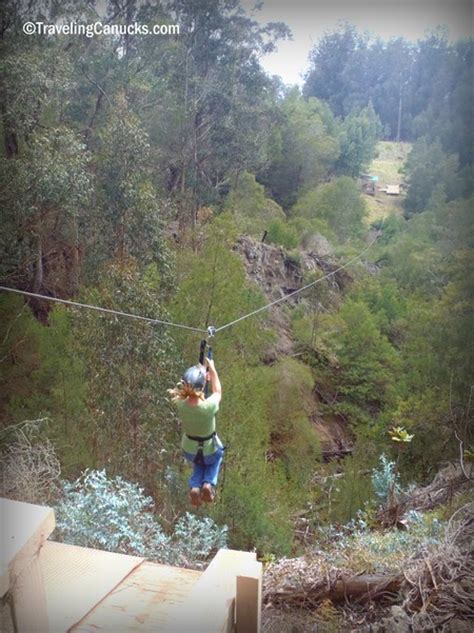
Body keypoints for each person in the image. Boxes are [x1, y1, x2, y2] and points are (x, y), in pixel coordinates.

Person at [169, 357, 224, 507]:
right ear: (201, 386)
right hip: (209, 448)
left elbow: (188, 391)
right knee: (216, 456)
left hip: (189, 449)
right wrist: (212, 369)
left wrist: (202, 375)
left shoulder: (180, 404)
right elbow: (217, 391)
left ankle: (195, 486)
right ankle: (207, 484)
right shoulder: (208, 407)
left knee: (199, 461)